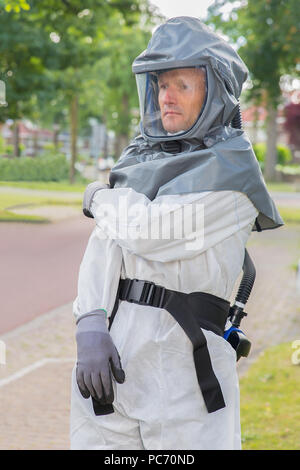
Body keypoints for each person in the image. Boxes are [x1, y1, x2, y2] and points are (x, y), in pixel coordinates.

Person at [70, 16, 283, 450]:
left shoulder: (233, 171)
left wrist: (98, 197)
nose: (166, 97)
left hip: (185, 373)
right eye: (162, 85)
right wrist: (89, 320)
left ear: (214, 93)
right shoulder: (141, 157)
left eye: (182, 85)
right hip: (111, 365)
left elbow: (151, 232)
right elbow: (104, 245)